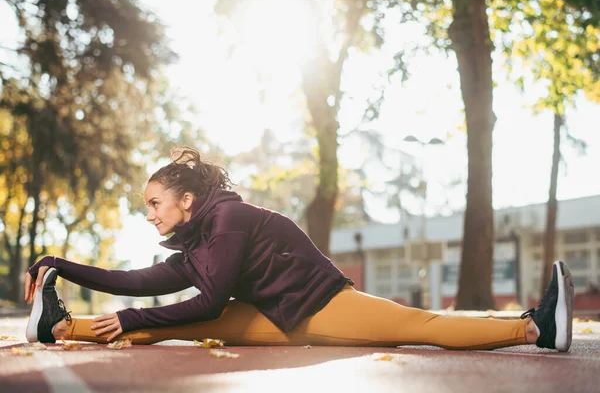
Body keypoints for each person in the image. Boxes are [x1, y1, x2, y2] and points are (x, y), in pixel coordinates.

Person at [24, 146, 574, 351]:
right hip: (276, 315)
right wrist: (61, 266)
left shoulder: (230, 220)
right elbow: (138, 282)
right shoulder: (198, 241)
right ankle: (58, 327)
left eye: (154, 202)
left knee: (422, 325)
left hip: (318, 309)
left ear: (186, 200)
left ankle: (533, 329)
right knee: (163, 322)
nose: (149, 213)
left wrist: (132, 313)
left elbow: (212, 301)